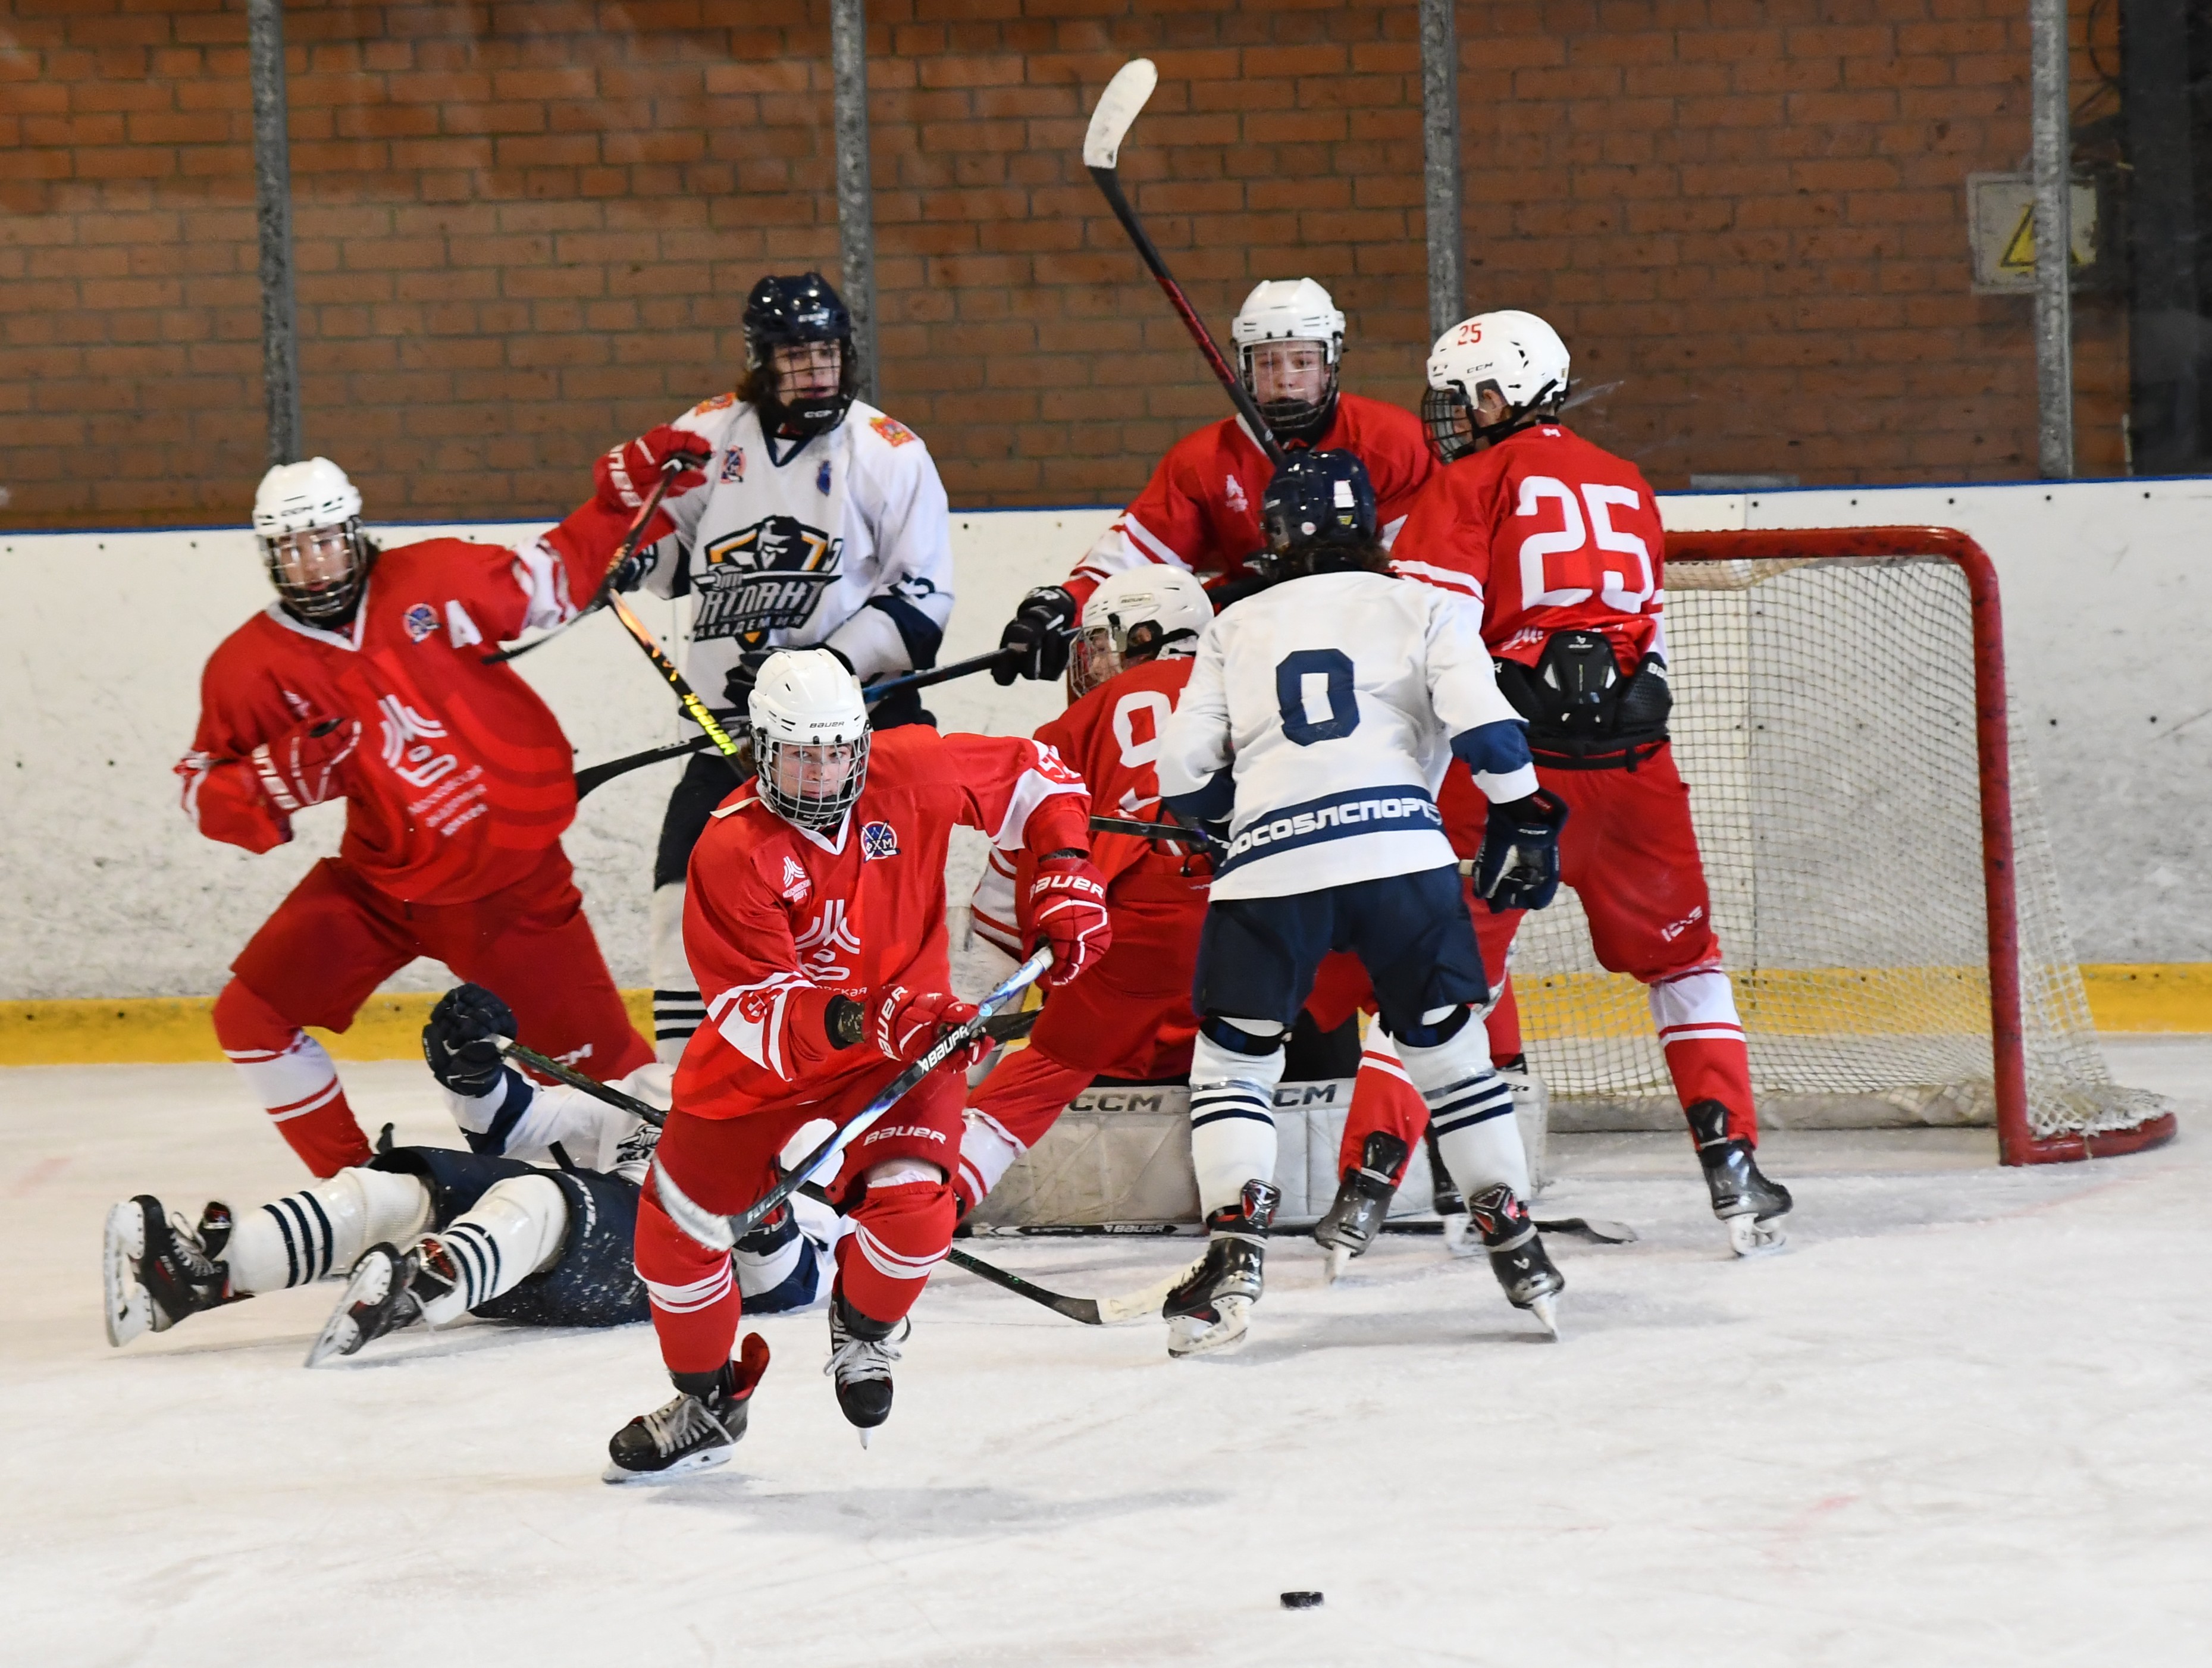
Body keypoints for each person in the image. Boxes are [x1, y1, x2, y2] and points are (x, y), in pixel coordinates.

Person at [605, 651, 1111, 1482]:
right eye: (801, 755)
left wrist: (1063, 870)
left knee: (917, 1214)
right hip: (767, 1065)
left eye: (837, 751)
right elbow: (751, 1012)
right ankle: (705, 1402)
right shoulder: (731, 850)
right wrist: (868, 1015)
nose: (822, 772)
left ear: (861, 742)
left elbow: (1038, 774)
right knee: (674, 1238)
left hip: (904, 1051)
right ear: (763, 750)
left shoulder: (910, 769)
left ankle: (865, 1326)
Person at [1390, 309, 1792, 1257]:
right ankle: (1731, 1164)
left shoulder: (1467, 481)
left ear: (1499, 393)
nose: (1453, 415)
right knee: (1687, 965)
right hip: (1635, 770)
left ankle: (1385, 1181)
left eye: (1463, 395)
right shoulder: (1626, 480)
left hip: (1509, 774)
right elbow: (1640, 644)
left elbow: (1433, 644)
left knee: (1441, 969)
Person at [1155, 450, 1570, 1357]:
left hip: (1267, 870)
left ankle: (1233, 1251)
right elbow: (1492, 738)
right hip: (1401, 860)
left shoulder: (1234, 620)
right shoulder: (1425, 604)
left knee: (1234, 1065)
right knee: (1453, 1061)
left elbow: (1181, 772)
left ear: (1272, 537)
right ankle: (1514, 1238)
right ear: (1371, 528)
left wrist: (1220, 819)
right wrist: (1525, 818)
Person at [177, 459, 654, 1178]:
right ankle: (360, 1189)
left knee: (620, 1089)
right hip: (381, 887)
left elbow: (549, 577)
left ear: (353, 532)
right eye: (291, 548)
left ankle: (696, 1221)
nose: (311, 564)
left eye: (325, 541)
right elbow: (198, 788)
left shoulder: (433, 578)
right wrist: (270, 778)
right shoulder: (250, 666)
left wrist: (633, 496)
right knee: (249, 1016)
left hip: (508, 893)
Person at [591, 272, 957, 1064]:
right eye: (796, 358)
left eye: (827, 353)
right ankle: (687, 1081)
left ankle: (888, 1069)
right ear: (760, 362)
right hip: (735, 732)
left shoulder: (887, 453)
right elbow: (671, 554)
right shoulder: (708, 433)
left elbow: (924, 600)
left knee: (873, 910)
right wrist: (618, 556)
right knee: (681, 891)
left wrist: (820, 673)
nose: (816, 372)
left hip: (861, 730)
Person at [101, 987, 838, 1361]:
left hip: (658, 1264)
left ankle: (425, 1285)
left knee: (539, 1197)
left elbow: (786, 1287)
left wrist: (758, 1203)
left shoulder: (815, 1133)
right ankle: (206, 1272)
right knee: (393, 1189)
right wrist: (472, 1066)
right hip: (566, 1234)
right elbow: (516, 1126)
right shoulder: (657, 1085)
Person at [991, 278, 1436, 686]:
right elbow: (1134, 559)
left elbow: (1424, 571)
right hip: (1248, 640)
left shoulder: (1393, 441)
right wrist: (1062, 606)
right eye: (1267, 363)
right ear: (1244, 369)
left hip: (1372, 636)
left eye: (1303, 361)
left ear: (1331, 361)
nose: (1285, 379)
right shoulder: (1204, 459)